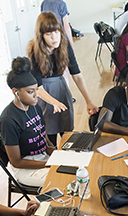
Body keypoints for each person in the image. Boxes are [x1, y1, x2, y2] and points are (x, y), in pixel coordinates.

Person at [27, 12, 98, 147]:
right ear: (41, 36)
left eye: (57, 32)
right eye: (48, 34)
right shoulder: (34, 50)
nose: (54, 37)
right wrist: (54, 102)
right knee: (50, 134)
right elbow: (38, 88)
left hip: (61, 88)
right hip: (44, 94)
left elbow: (77, 75)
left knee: (67, 132)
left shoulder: (64, 45)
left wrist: (88, 101)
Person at [0, 57, 54, 188]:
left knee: (76, 170)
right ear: (15, 92)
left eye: (36, 90)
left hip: (43, 158)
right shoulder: (8, 120)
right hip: (26, 168)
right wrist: (49, 164)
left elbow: (44, 137)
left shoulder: (35, 107)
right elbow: (16, 162)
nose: (36, 95)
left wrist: (57, 155)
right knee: (61, 179)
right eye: (30, 92)